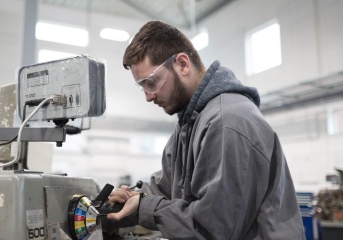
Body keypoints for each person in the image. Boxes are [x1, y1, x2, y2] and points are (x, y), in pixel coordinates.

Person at [105, 20, 305, 239]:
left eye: (151, 82)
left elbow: (213, 228)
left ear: (182, 64)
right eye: (142, 86)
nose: (148, 96)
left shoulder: (226, 122)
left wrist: (145, 205)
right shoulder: (189, 123)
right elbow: (167, 187)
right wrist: (131, 196)